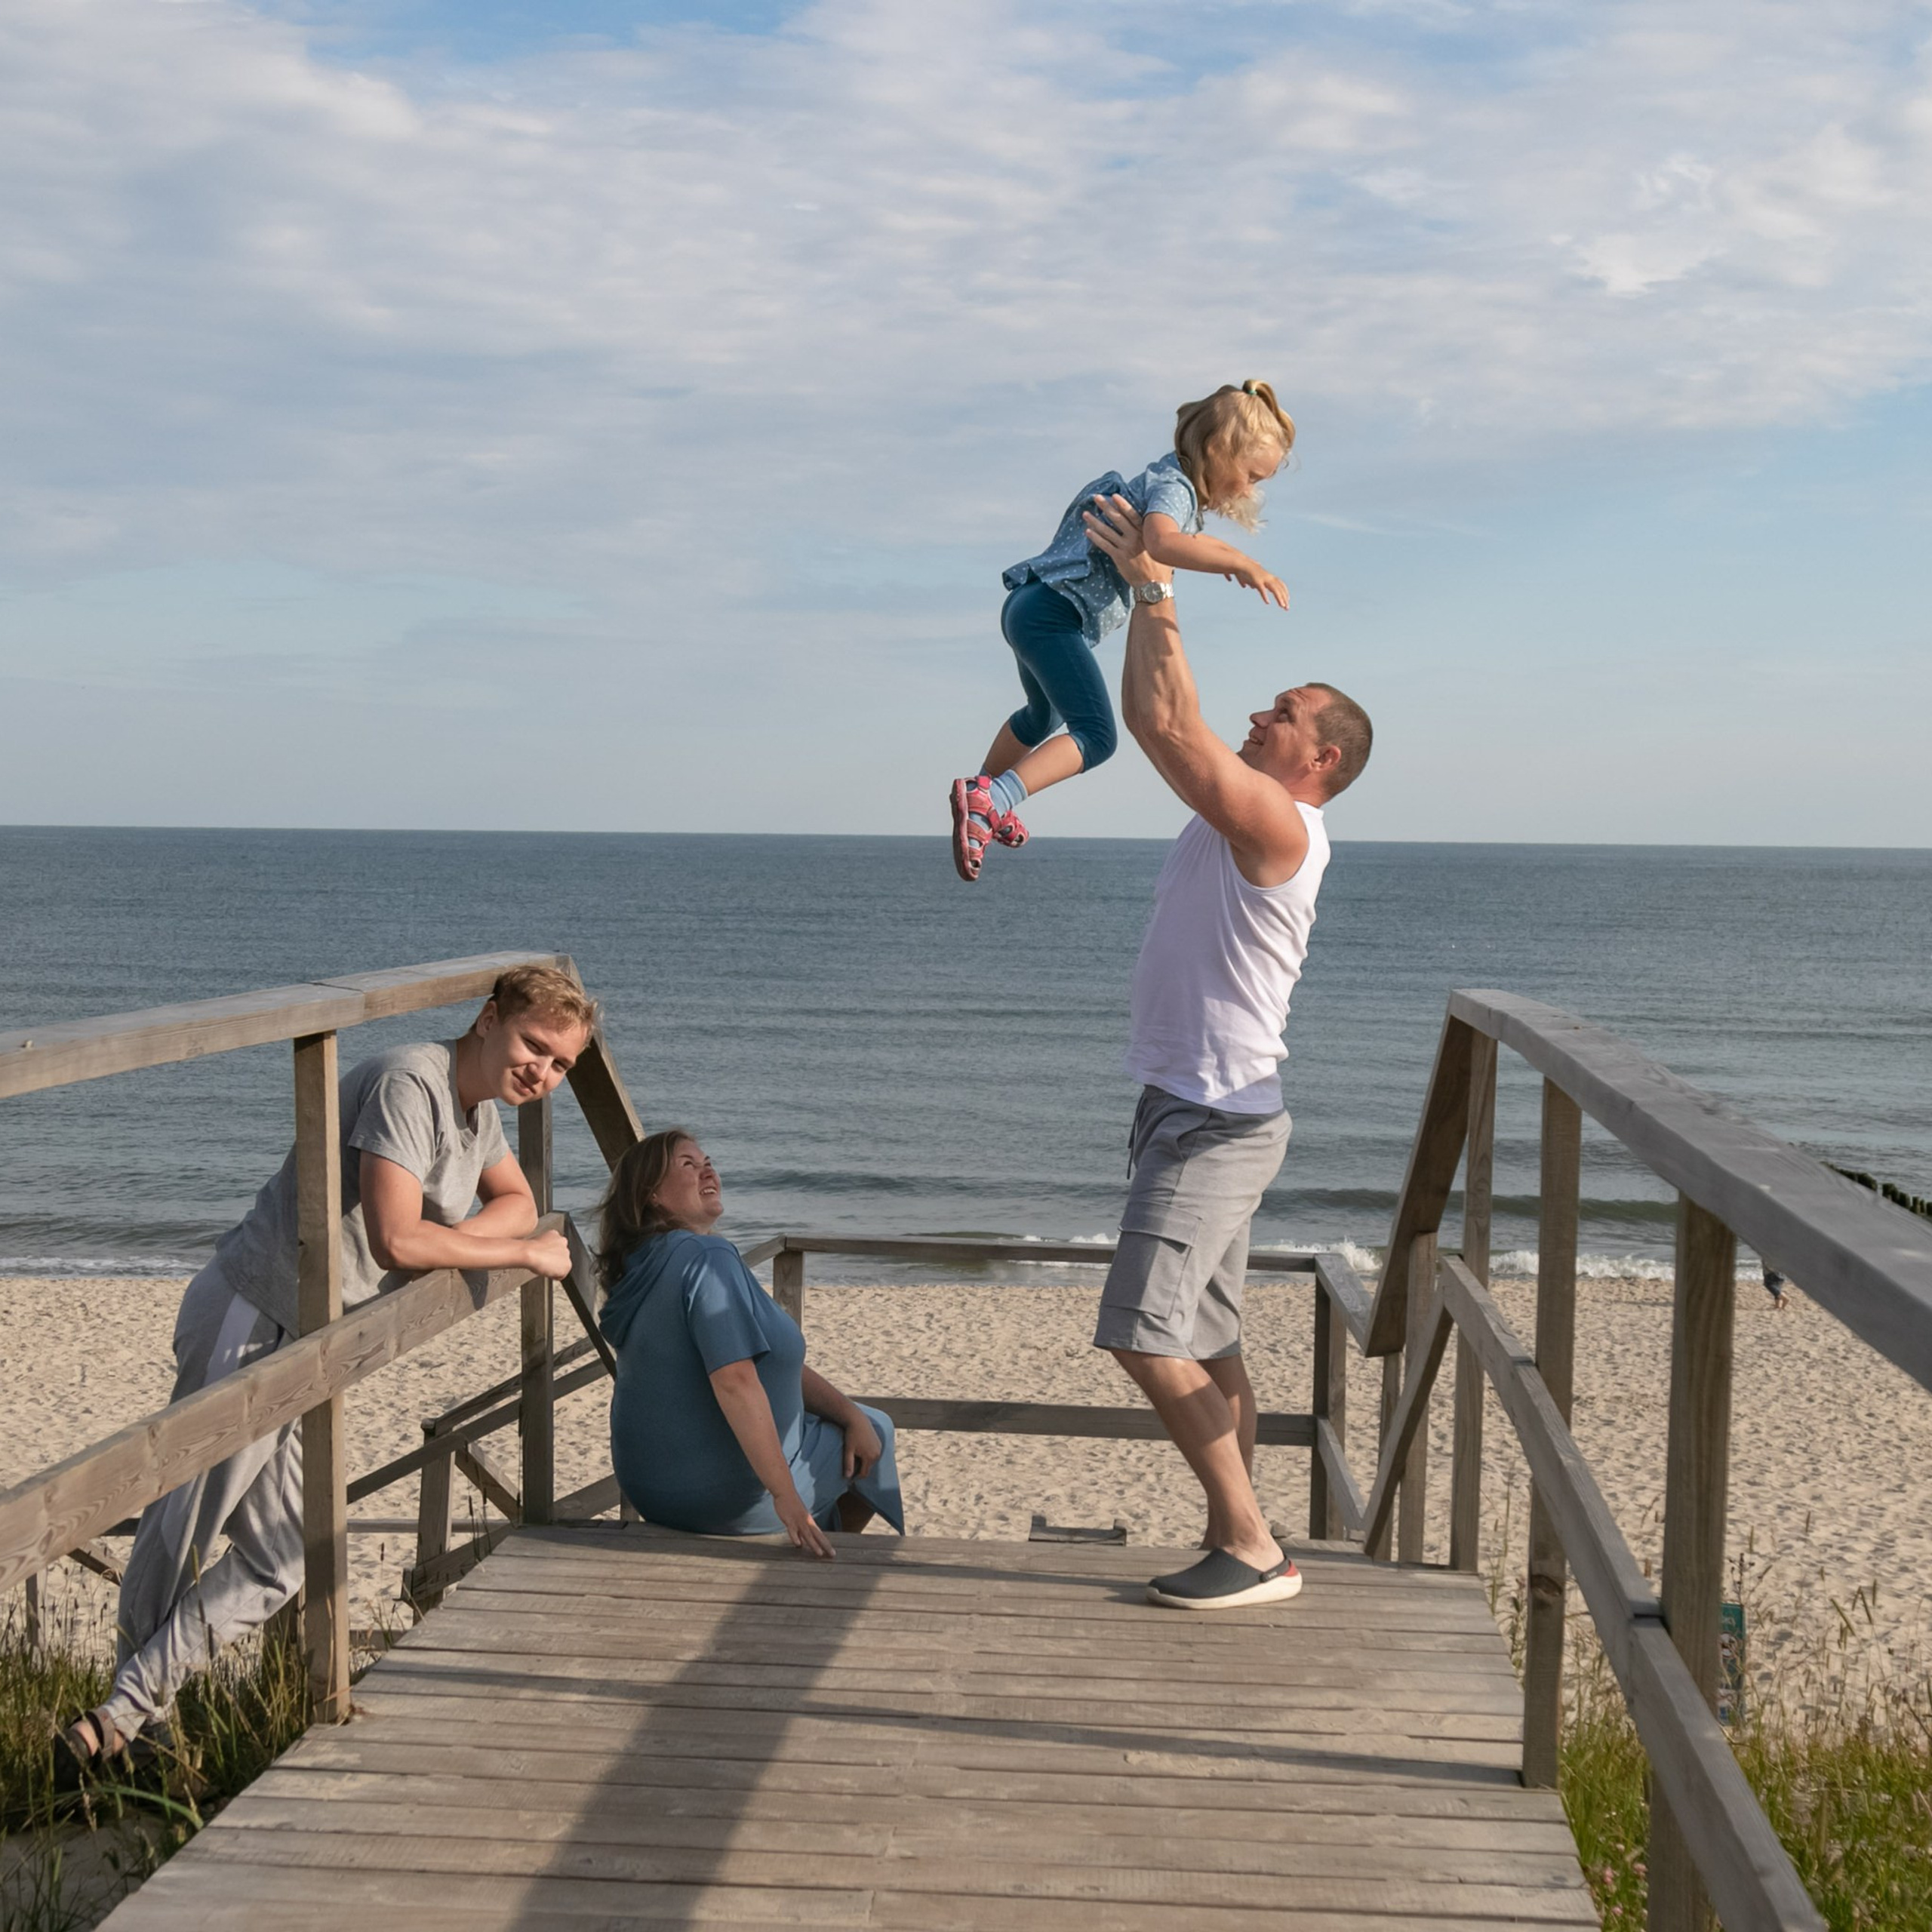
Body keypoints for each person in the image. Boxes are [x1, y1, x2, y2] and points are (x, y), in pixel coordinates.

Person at [54, 963, 596, 1782]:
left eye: (561, 1064)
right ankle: (125, 1729)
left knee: (283, 1555)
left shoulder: (477, 1111)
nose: (542, 1072)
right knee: (186, 1525)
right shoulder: (410, 1082)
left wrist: (469, 1236)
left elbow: (518, 1199)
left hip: (314, 1340)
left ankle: (116, 1720)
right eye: (533, 1046)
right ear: (489, 1019)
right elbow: (397, 1240)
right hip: (255, 1310)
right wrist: (517, 1254)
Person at [1081, 489, 1373, 1611]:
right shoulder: (1238, 813)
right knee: (1210, 1341)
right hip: (1199, 1106)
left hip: (1213, 1119)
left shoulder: (1281, 826)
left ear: (1322, 756)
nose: (1260, 715)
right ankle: (1235, 1536)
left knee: (1141, 1332)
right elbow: (1155, 714)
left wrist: (1157, 582)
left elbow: (1171, 728)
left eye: (1283, 714)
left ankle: (1253, 1547)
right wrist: (1142, 593)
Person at [949, 380, 1300, 882]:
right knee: (1097, 736)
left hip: (1030, 605)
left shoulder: (1165, 479)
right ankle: (992, 799)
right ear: (1217, 451)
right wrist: (1242, 563)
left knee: (1041, 715)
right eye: (1250, 476)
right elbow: (1162, 543)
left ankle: (985, 795)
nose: (1248, 491)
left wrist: (1227, 558)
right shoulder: (1175, 489)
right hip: (1053, 616)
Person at [597, 1130, 903, 1553]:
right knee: (878, 1430)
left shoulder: (643, 1265)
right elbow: (736, 1381)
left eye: (708, 1162)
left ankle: (816, 1532)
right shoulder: (708, 1258)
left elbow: (769, 1363)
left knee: (859, 1423)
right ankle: (824, 1546)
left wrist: (849, 1413)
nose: (708, 1170)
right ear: (652, 1194)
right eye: (688, 1164)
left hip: (652, 1492)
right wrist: (784, 1495)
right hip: (727, 1499)